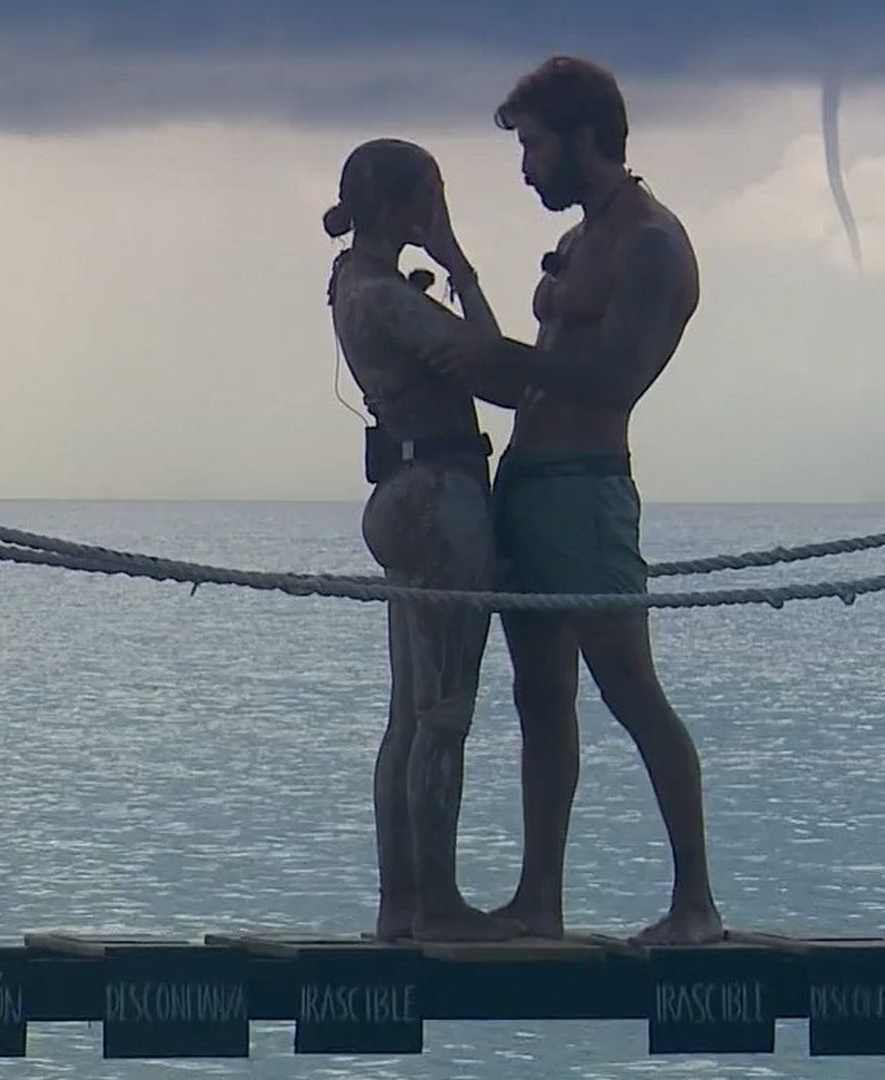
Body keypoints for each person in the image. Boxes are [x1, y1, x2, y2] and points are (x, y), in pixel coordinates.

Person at [425, 56, 724, 946]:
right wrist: (455, 311)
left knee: (631, 689)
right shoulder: (585, 237)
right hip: (526, 484)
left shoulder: (651, 243)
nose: (525, 168)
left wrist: (508, 359)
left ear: (583, 135)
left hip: (586, 491)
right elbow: (529, 381)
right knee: (540, 699)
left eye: (534, 145)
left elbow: (616, 375)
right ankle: (538, 899)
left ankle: (696, 904)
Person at [324, 138, 523, 942]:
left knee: (408, 715)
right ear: (406, 206)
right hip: (441, 500)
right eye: (431, 198)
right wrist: (460, 268)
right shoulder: (387, 299)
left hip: (402, 495)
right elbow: (502, 375)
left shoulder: (349, 283)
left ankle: (400, 903)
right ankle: (436, 902)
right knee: (442, 713)